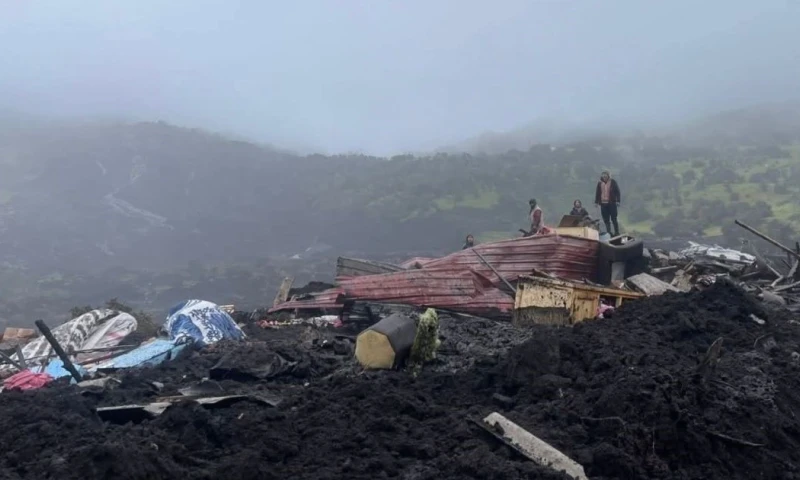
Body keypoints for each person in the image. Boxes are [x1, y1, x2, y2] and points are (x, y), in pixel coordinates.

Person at [594, 171, 621, 236]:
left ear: (608, 176)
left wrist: (618, 201)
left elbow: (617, 191)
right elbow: (598, 193)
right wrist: (596, 202)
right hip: (603, 204)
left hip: (612, 203)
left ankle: (617, 232)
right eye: (603, 175)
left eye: (606, 175)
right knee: (606, 219)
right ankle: (609, 232)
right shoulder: (599, 183)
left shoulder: (613, 182)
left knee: (614, 218)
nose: (604, 176)